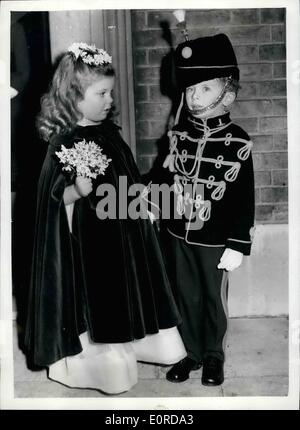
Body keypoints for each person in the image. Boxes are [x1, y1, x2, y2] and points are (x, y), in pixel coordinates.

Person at [24, 42, 186, 395]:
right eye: (102, 93)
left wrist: (143, 189)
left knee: (127, 292)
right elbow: (51, 203)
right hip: (90, 245)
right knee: (102, 302)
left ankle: (133, 345)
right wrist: (77, 191)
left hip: (123, 233)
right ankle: (99, 365)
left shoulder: (109, 134)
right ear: (73, 95)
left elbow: (124, 180)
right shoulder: (63, 142)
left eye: (111, 92)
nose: (110, 100)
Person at [162, 34, 255, 386]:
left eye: (202, 89)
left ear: (226, 95)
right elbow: (166, 176)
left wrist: (238, 243)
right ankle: (192, 353)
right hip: (179, 231)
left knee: (213, 300)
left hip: (215, 237)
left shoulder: (239, 142)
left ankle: (214, 355)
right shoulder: (179, 136)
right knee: (185, 294)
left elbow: (244, 200)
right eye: (189, 90)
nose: (192, 96)